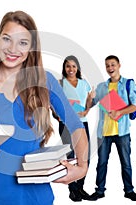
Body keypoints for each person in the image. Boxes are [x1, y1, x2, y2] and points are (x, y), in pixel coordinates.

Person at [0, 10, 89, 205]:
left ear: (31, 48)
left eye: (22, 43)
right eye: (7, 39)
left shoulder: (45, 81)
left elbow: (75, 124)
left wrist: (82, 167)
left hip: (37, 196)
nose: (12, 49)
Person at [86, 55, 136, 201]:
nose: (110, 68)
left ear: (119, 65)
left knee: (126, 163)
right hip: (104, 132)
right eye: (107, 65)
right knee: (102, 163)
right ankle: (99, 191)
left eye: (113, 65)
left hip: (122, 131)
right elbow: (90, 105)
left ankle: (129, 191)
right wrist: (89, 97)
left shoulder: (128, 83)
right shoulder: (102, 87)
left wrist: (120, 112)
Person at [58, 55, 91, 201]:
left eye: (73, 66)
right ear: (64, 69)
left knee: (84, 156)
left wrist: (87, 110)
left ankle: (81, 187)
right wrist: (56, 114)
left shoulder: (84, 83)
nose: (71, 69)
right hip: (66, 124)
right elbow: (53, 103)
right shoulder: (60, 83)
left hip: (82, 122)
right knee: (71, 156)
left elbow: (89, 99)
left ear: (77, 68)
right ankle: (73, 190)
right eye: (68, 66)